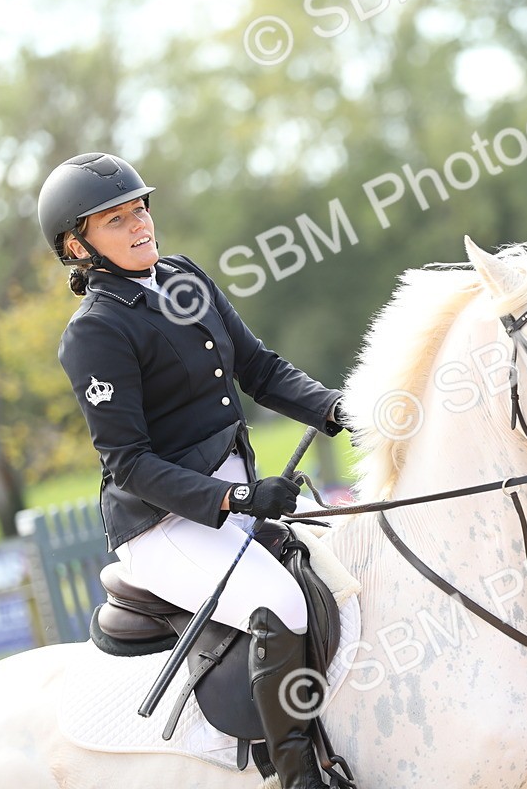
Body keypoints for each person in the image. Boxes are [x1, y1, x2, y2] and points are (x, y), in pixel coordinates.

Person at [39, 152, 342, 789]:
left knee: (343, 569)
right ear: (77, 244)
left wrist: (340, 408)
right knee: (279, 600)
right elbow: (129, 463)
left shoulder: (183, 279)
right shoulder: (96, 331)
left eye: (140, 208)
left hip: (235, 499)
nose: (139, 224)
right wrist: (234, 496)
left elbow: (259, 370)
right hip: (162, 522)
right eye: (116, 220)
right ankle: (296, 778)